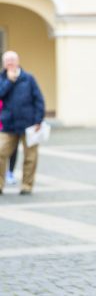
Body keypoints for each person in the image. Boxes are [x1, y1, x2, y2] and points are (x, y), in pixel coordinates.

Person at [0, 51, 45, 195]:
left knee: (30, 157)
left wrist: (38, 120)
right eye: (7, 60)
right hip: (9, 125)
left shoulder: (28, 78)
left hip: (29, 124)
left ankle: (27, 186)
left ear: (18, 61)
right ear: (3, 63)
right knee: (1, 153)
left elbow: (39, 100)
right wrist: (9, 81)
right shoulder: (2, 78)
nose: (9, 63)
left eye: (12, 60)